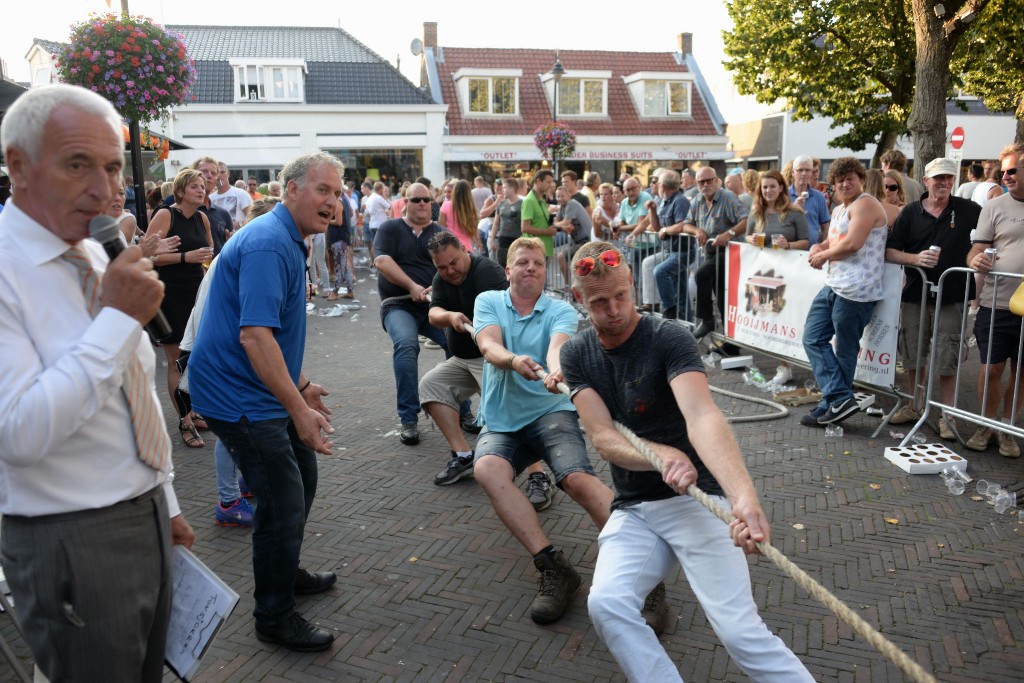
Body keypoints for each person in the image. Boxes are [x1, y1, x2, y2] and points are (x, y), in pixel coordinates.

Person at [0, 82, 194, 682]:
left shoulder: (93, 250)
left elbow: (129, 393)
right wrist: (116, 318)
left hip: (143, 517)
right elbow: (18, 433)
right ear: (17, 166)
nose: (103, 188)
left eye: (112, 166)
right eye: (77, 163)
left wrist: (165, 499)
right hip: (71, 538)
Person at [562, 241, 814, 683]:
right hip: (635, 508)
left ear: (632, 287)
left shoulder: (667, 337)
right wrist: (659, 455)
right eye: (600, 302)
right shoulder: (577, 354)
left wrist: (743, 497)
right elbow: (601, 436)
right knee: (606, 604)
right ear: (580, 298)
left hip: (696, 501)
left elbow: (702, 416)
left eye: (621, 295)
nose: (615, 309)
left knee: (739, 633)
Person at [189, 152, 343, 652]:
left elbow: (271, 334)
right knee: (279, 498)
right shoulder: (267, 245)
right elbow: (255, 338)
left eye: (337, 193)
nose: (332, 202)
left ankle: (285, 568)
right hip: (236, 397)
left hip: (256, 390)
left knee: (301, 480)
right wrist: (299, 410)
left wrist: (300, 387)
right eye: (323, 190)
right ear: (290, 190)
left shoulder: (288, 240)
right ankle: (273, 615)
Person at [472, 236, 615, 625]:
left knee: (578, 480)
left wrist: (556, 367)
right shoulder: (488, 301)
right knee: (486, 469)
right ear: (508, 270)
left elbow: (558, 345)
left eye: (537, 262)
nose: (530, 268)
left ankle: (645, 575)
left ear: (545, 270)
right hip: (502, 420)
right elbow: (488, 345)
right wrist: (514, 359)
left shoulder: (560, 309)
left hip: (550, 410)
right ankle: (554, 568)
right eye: (522, 262)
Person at [885, 157, 981, 440]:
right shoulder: (911, 212)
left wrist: (980, 259)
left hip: (952, 295)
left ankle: (947, 414)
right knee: (913, 352)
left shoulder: (970, 210)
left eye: (949, 178)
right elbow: (890, 251)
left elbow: (985, 242)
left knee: (947, 353)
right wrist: (915, 258)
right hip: (915, 293)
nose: (944, 183)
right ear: (926, 181)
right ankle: (916, 406)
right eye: (938, 178)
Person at [801, 157, 888, 427]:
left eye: (850, 178)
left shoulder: (866, 204)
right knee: (812, 338)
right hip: (834, 284)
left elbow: (852, 243)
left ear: (861, 179)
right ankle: (837, 398)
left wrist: (823, 255)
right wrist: (819, 247)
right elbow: (833, 239)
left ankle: (834, 403)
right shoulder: (840, 208)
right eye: (840, 180)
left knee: (845, 350)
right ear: (834, 185)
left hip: (858, 289)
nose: (845, 183)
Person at [373, 182, 453, 445]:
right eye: (416, 199)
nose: (421, 204)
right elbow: (382, 260)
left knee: (457, 344)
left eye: (426, 199)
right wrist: (412, 286)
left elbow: (455, 265)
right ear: (405, 202)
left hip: (433, 306)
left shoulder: (440, 233)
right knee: (407, 345)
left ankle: (462, 411)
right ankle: (409, 418)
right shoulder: (390, 228)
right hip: (398, 304)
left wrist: (439, 285)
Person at [148, 168, 215, 449]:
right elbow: (148, 254)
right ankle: (184, 420)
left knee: (195, 356)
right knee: (176, 358)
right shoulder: (166, 215)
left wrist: (204, 257)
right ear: (180, 191)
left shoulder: (202, 218)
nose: (201, 190)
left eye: (203, 186)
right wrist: (185, 256)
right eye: (195, 187)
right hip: (169, 294)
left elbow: (209, 248)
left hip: (195, 292)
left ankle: (194, 409)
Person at [965, 142, 1024, 458]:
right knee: (991, 369)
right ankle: (984, 424)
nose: (1007, 177)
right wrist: (975, 261)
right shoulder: (994, 206)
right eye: (1004, 172)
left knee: (1022, 371)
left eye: (1013, 170)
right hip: (996, 303)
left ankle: (1008, 428)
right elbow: (976, 249)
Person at [687, 167, 749, 340]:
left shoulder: (727, 197)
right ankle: (731, 342)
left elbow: (746, 220)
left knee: (701, 275)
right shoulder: (697, 200)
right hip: (711, 253)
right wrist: (697, 230)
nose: (705, 184)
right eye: (701, 182)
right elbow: (685, 224)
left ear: (716, 180)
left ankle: (707, 320)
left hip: (730, 252)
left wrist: (728, 234)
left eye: (709, 180)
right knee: (722, 296)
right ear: (697, 183)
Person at [647, 170, 694, 321]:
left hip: (683, 251)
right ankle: (686, 323)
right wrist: (653, 210)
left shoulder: (680, 201)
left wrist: (666, 229)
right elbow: (656, 228)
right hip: (670, 250)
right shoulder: (663, 201)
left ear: (662, 185)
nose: (655, 185)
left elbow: (682, 225)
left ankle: (669, 309)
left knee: (659, 272)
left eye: (656, 182)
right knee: (680, 291)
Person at [789, 155, 831, 245]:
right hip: (788, 250)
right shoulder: (783, 195)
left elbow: (825, 227)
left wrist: (822, 248)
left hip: (812, 252)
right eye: (800, 170)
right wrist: (793, 209)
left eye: (807, 170)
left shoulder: (819, 197)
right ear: (793, 172)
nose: (804, 173)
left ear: (811, 172)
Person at [520, 169, 558, 257]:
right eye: (548, 182)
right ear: (538, 181)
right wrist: (547, 232)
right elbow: (524, 228)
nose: (550, 185)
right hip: (535, 251)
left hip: (543, 249)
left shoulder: (540, 199)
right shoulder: (529, 200)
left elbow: (541, 222)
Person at [439, 178, 482, 253]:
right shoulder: (470, 209)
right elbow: (474, 230)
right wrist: (479, 241)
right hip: (467, 249)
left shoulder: (445, 205)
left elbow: (441, 229)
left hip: (450, 248)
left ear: (455, 191)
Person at [490, 177, 523, 267]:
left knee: (516, 267)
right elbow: (496, 223)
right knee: (502, 268)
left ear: (512, 189)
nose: (502, 190)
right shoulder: (501, 204)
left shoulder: (522, 204)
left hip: (517, 241)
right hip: (502, 241)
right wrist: (492, 240)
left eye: (504, 188)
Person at [210, 162, 253, 229]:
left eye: (222, 172)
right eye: (216, 173)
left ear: (228, 174)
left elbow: (253, 216)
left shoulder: (241, 194)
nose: (219, 176)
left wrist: (239, 224)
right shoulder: (210, 198)